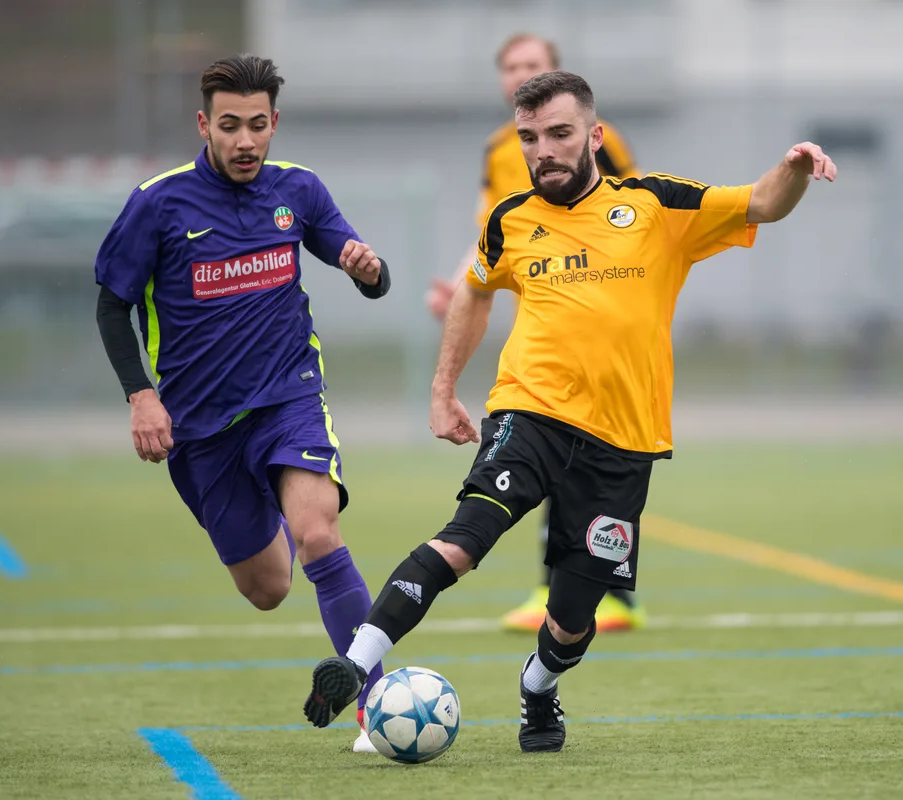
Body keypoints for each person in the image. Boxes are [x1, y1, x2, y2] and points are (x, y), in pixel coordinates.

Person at [304, 70, 836, 752]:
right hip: (531, 412)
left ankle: (538, 688)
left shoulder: (656, 205)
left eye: (558, 134)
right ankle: (354, 664)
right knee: (467, 536)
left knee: (572, 618)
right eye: (529, 138)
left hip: (624, 440)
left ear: (595, 135)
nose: (543, 150)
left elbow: (763, 202)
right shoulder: (510, 220)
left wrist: (794, 163)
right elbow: (473, 291)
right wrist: (443, 389)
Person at [94, 55, 391, 754]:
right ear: (205, 124)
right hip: (200, 428)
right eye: (230, 126)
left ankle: (375, 702)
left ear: (274, 124)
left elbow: (362, 268)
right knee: (267, 588)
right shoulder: (157, 203)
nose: (245, 141)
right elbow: (112, 307)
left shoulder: (299, 191)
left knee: (318, 533)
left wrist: (368, 271)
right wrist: (141, 397)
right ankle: (274, 506)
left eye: (258, 125)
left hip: (289, 395)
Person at [425, 33, 644, 634]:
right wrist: (457, 285)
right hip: (541, 315)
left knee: (589, 460)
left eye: (534, 66)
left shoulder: (604, 142)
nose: (521, 74)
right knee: (546, 452)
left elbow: (634, 214)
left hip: (598, 322)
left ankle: (607, 594)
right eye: (513, 68)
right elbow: (490, 237)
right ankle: (568, 594)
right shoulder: (500, 150)